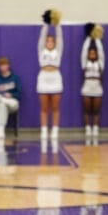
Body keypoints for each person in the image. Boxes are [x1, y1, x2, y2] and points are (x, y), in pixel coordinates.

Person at [36, 9, 63, 150]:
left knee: (55, 107)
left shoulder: (58, 51)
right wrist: (46, 24)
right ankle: (44, 130)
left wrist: (56, 24)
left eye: (52, 40)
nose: (50, 42)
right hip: (43, 78)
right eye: (48, 40)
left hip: (56, 78)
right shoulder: (42, 50)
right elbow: (41, 37)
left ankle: (55, 131)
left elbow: (60, 37)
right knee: (44, 108)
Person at [80, 24, 105, 144]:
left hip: (97, 87)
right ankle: (87, 128)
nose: (92, 54)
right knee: (87, 109)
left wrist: (97, 38)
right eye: (91, 53)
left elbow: (101, 51)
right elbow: (84, 51)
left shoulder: (100, 64)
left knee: (96, 110)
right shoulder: (84, 63)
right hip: (87, 86)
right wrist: (89, 37)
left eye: (94, 53)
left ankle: (95, 128)